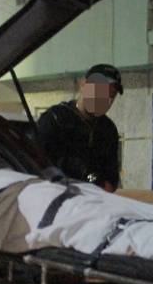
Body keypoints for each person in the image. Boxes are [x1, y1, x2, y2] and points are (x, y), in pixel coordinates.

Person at [37, 63, 123, 192]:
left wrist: (101, 184)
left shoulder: (108, 130)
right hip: (55, 196)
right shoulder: (55, 119)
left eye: (112, 96)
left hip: (93, 200)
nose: (107, 100)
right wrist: (89, 176)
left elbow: (111, 181)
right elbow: (39, 164)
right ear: (83, 84)